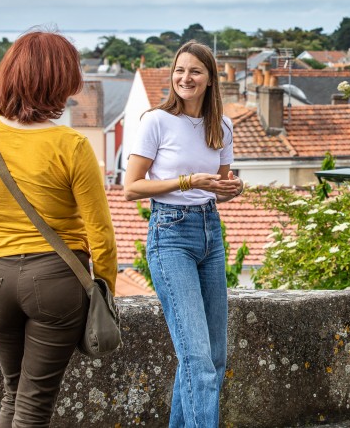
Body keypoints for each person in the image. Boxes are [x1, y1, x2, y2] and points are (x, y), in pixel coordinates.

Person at [0, 31, 118, 427]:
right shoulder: (72, 144)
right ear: (60, 82)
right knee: (34, 406)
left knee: (13, 393)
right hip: (55, 280)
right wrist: (105, 292)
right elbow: (101, 235)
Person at [124, 40, 243, 428]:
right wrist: (186, 180)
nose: (184, 78)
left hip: (210, 230)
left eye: (194, 71)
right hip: (169, 233)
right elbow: (131, 187)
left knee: (214, 357)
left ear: (210, 80)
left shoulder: (221, 126)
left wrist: (231, 189)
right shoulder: (155, 121)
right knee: (197, 360)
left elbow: (218, 188)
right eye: (179, 70)